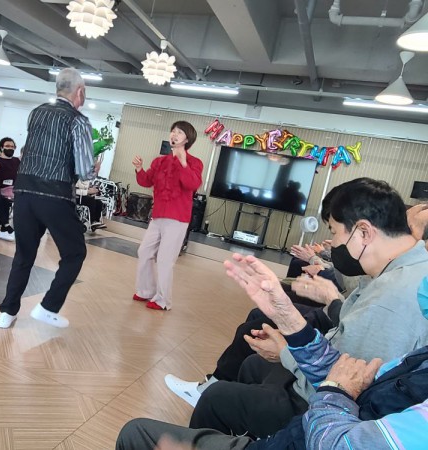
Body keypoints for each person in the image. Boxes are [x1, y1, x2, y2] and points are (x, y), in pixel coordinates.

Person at [181, 178, 428, 438]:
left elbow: (344, 385)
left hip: (326, 413)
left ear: (364, 232)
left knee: (217, 398)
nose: (332, 243)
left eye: (335, 232)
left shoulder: (393, 296)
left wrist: (286, 351)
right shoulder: (399, 271)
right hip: (323, 384)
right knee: (253, 365)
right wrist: (286, 325)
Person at [115, 257, 428, 450]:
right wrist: (286, 317)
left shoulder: (397, 293)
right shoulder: (419, 356)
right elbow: (349, 376)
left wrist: (335, 392)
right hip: (298, 430)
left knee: (137, 434)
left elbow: (339, 440)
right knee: (252, 354)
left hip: (309, 423)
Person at [0, 68, 97, 329]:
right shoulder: (79, 121)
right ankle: (48, 306)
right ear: (80, 92)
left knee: (24, 254)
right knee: (75, 253)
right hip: (55, 194)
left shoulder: (36, 112)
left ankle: (7, 312)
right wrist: (93, 168)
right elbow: (84, 170)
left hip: (23, 191)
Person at [132, 121, 203, 310]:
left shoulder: (194, 163)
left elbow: (192, 184)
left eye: (179, 132)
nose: (174, 134)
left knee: (165, 260)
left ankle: (163, 300)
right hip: (158, 216)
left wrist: (183, 162)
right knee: (144, 252)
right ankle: (145, 291)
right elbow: (146, 181)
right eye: (173, 131)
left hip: (177, 218)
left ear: (187, 139)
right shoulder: (159, 161)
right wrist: (139, 169)